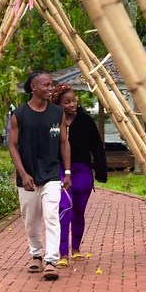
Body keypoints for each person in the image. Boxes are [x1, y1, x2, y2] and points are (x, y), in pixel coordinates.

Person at [9, 71, 71, 280]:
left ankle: (51, 260)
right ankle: (36, 255)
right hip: (27, 177)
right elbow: (12, 145)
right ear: (33, 88)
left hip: (52, 173)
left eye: (51, 84)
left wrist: (68, 172)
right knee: (31, 220)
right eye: (45, 85)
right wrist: (23, 174)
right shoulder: (19, 115)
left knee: (52, 215)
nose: (50, 88)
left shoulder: (57, 113)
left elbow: (64, 142)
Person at [51, 83, 108, 268]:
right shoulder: (52, 122)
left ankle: (76, 249)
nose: (72, 104)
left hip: (82, 171)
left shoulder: (86, 121)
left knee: (78, 212)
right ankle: (63, 253)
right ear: (58, 104)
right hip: (60, 170)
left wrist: (101, 171)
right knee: (64, 208)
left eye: (73, 100)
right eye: (66, 102)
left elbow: (97, 147)